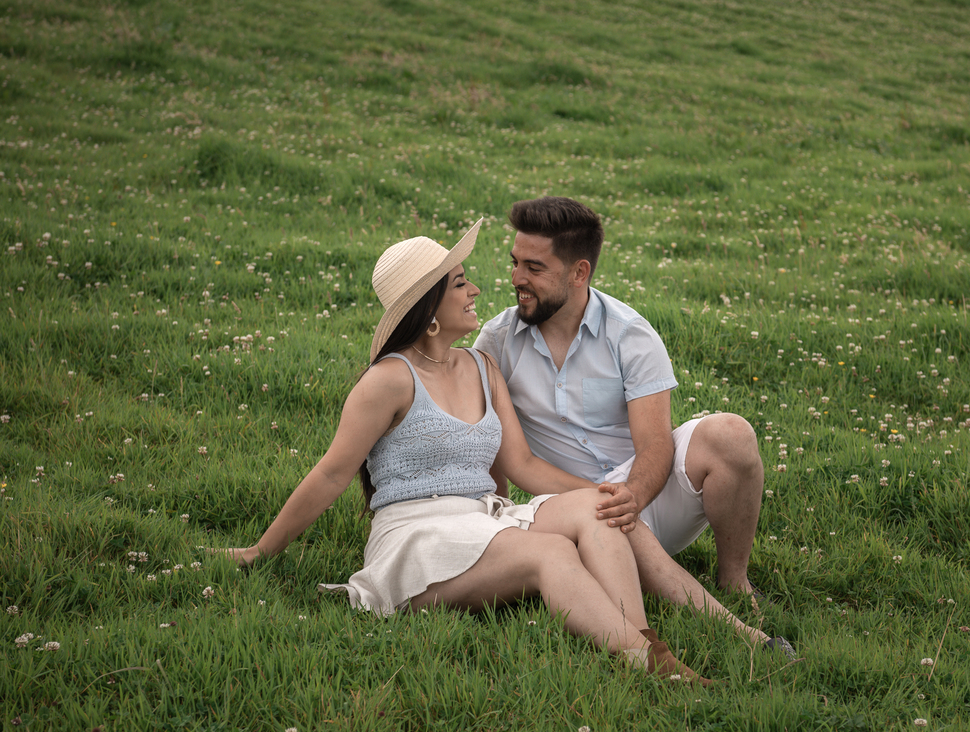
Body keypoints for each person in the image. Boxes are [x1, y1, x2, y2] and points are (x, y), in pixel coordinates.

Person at [221, 219, 710, 685]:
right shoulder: (388, 381)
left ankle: (644, 641)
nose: (476, 290)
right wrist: (261, 550)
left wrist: (609, 495)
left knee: (597, 510)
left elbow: (523, 466)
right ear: (428, 307)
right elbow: (331, 475)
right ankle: (656, 668)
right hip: (416, 538)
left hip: (483, 519)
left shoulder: (481, 366)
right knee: (553, 553)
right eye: (459, 283)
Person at [474, 197, 794, 657]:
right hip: (566, 509)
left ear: (579, 272)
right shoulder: (498, 341)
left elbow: (655, 446)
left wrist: (634, 498)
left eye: (534, 268)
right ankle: (737, 639)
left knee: (731, 434)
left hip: (648, 495)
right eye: (515, 263)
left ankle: (734, 580)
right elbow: (494, 446)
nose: (516, 279)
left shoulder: (629, 334)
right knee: (603, 514)